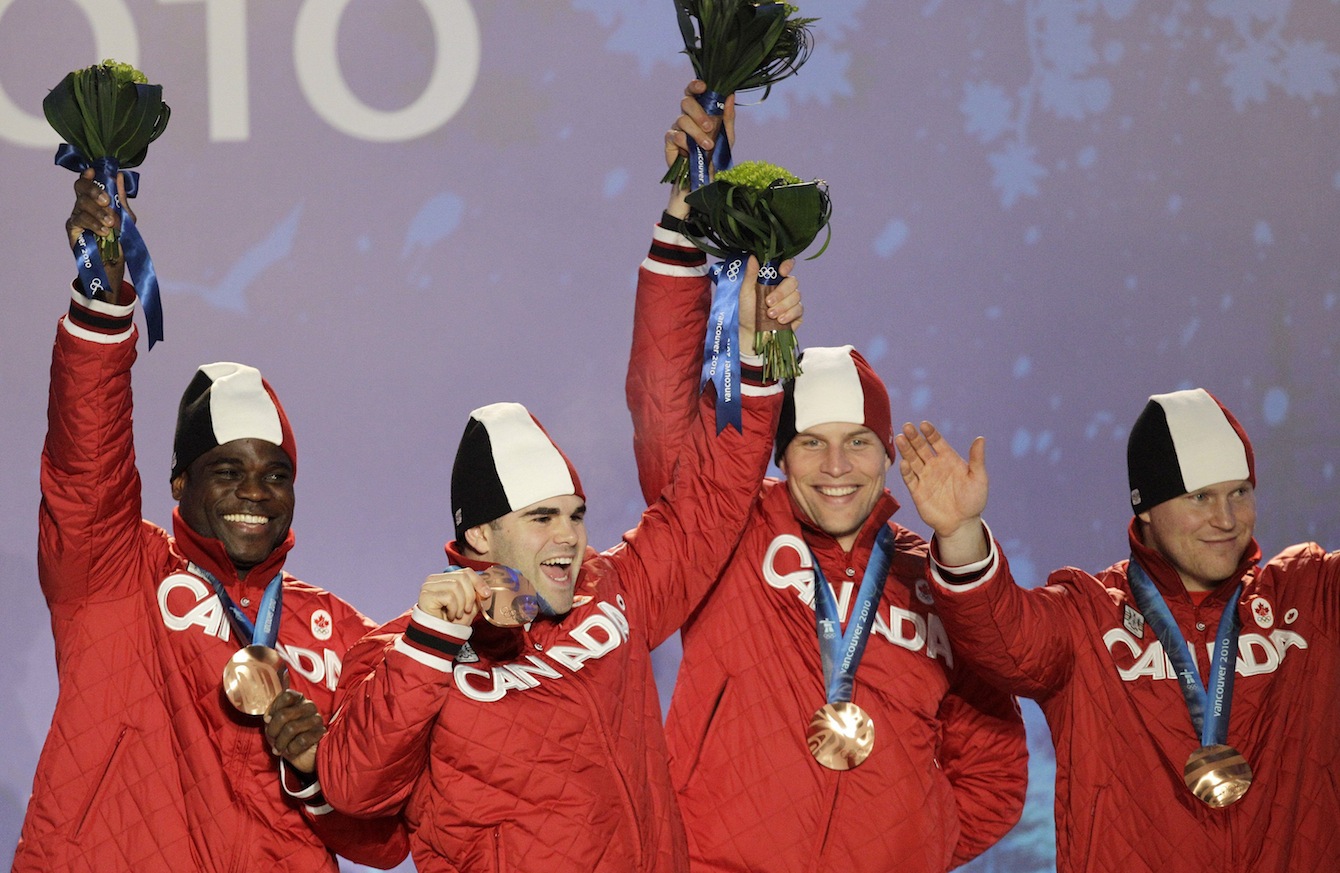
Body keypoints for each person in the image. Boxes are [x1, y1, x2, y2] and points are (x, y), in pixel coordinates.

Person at [621, 82, 1029, 872]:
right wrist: (686, 212)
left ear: (888, 454)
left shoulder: (931, 575)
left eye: (859, 443)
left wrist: (915, 838)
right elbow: (663, 400)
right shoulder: (729, 534)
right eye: (811, 443)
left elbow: (994, 765)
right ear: (778, 452)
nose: (838, 467)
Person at [316, 258, 790, 869]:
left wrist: (752, 348)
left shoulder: (613, 589)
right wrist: (428, 644)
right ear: (482, 535)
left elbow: (711, 495)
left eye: (575, 513)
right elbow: (355, 789)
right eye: (542, 518)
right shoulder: (399, 651)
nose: (569, 535)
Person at [15, 169, 408, 873]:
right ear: (180, 482)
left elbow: (385, 839)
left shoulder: (341, 633)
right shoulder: (116, 572)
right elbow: (86, 461)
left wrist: (318, 768)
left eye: (275, 473)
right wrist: (101, 300)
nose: (255, 493)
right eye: (228, 471)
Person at [896, 389, 1340, 872]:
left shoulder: (1309, 598)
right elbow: (1003, 637)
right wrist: (961, 533)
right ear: (1145, 507)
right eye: (1200, 497)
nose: (1227, 519)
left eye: (1239, 492)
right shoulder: (1090, 619)